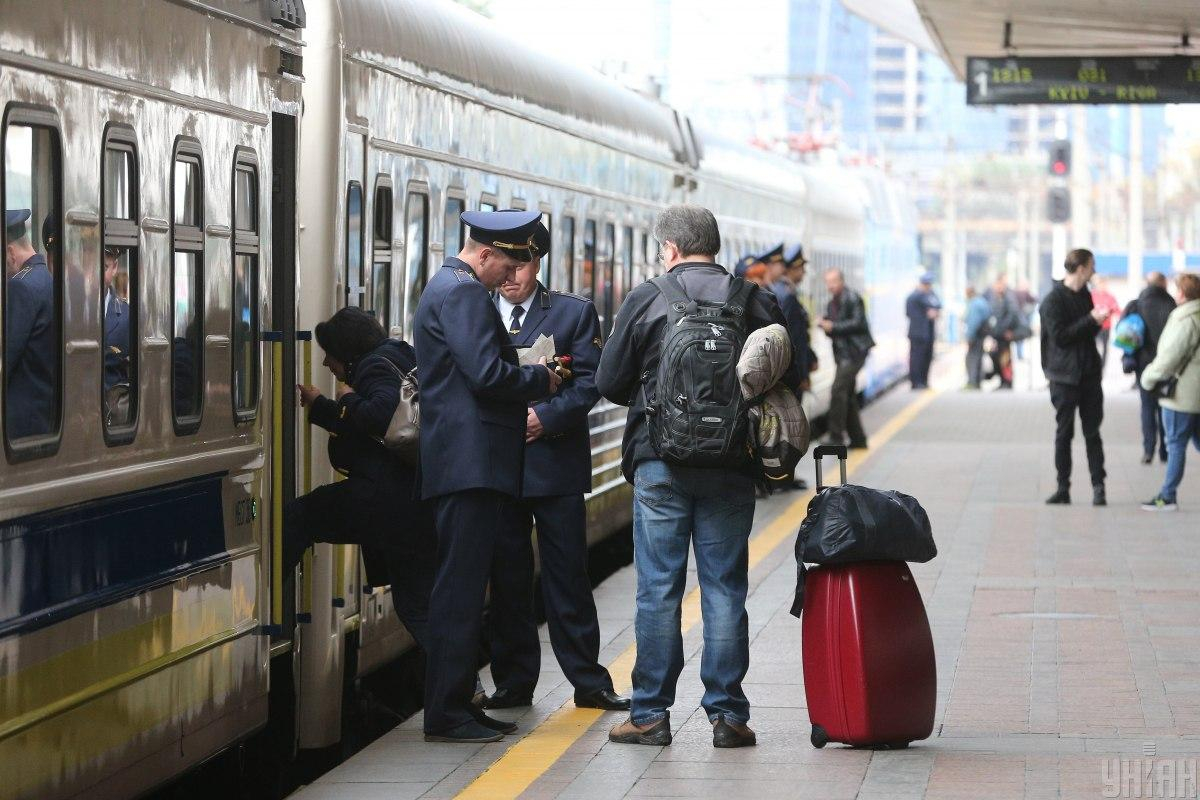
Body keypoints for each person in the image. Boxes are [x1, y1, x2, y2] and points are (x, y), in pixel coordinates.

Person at [597, 205, 801, 749]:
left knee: (659, 591)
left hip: (660, 464)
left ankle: (650, 715)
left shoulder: (648, 297)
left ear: (668, 248)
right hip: (732, 466)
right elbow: (789, 376)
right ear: (716, 245)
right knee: (724, 589)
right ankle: (728, 716)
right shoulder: (754, 298)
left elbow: (611, 382)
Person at [414, 209, 562, 744]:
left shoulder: (449, 287)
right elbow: (486, 374)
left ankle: (458, 702)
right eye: (508, 264)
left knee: (464, 587)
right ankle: (448, 711)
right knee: (460, 591)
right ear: (484, 253)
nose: (511, 277)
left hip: (465, 463)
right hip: (470, 464)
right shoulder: (464, 293)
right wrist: (540, 380)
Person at [480, 219, 629, 712]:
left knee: (567, 575)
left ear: (538, 262)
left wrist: (545, 417)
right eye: (506, 265)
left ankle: (588, 680)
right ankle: (514, 681)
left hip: (554, 465)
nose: (510, 276)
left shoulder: (572, 312)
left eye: (520, 265)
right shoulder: (474, 308)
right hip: (497, 466)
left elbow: (590, 382)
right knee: (507, 578)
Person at [287, 306, 436, 647]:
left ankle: (265, 606)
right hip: (414, 498)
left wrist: (341, 399)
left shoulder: (371, 368)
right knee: (418, 602)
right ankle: (461, 682)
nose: (327, 364)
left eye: (331, 356)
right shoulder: (400, 354)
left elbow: (380, 416)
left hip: (388, 499)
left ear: (348, 352)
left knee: (297, 517)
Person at [1039, 249, 1110, 506]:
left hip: (1089, 374)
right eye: (1092, 265)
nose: (1094, 270)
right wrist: (1090, 319)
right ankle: (1063, 487)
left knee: (1093, 432)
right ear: (1080, 268)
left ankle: (1099, 487)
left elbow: (1084, 333)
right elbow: (1061, 337)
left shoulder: (1085, 295)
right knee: (1064, 433)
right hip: (1063, 377)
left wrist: (1095, 321)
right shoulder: (1052, 301)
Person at [1139, 273, 1200, 511]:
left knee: (1175, 444)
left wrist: (1148, 377)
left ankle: (1167, 496)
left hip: (1181, 395)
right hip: (1196, 393)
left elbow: (1169, 357)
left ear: (1183, 294)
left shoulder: (1185, 319)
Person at [4, 208, 55, 440]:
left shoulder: (19, 287)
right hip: (42, 420)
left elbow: (5, 360)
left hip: (18, 430)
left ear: (10, 253)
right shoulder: (46, 280)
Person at [817, 268, 875, 448]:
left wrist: (832, 326)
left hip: (855, 352)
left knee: (838, 390)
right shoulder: (831, 303)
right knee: (848, 395)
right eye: (828, 282)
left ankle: (836, 436)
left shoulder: (852, 298)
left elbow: (858, 323)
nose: (831, 286)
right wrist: (825, 325)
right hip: (843, 354)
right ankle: (858, 438)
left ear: (842, 281)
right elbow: (835, 330)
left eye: (834, 282)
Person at [1122, 272, 1176, 464]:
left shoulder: (1135, 305)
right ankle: (1165, 451)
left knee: (1147, 406)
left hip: (1142, 364)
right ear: (1163, 284)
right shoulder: (1172, 306)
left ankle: (1148, 450)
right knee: (1164, 405)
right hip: (1166, 364)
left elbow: (1124, 335)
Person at [782, 244, 818, 391]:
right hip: (794, 372)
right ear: (793, 269)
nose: (804, 273)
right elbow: (794, 337)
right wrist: (802, 375)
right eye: (802, 268)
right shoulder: (788, 296)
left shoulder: (786, 292)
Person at [985, 274, 1024, 390]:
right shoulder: (996, 297)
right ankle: (1002, 380)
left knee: (1005, 358)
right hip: (998, 334)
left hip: (1004, 333)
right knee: (996, 355)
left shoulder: (1009, 297)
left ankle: (1007, 381)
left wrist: (1004, 328)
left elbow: (1012, 315)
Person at [905, 272, 941, 389]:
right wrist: (928, 313)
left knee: (927, 357)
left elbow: (938, 304)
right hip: (917, 334)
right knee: (917, 358)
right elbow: (910, 313)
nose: (928, 287)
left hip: (928, 333)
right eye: (926, 284)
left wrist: (932, 312)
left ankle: (924, 381)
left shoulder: (930, 295)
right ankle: (916, 382)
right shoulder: (914, 296)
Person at [1091, 276, 1120, 371]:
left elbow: (1117, 310)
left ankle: (1101, 367)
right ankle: (1094, 364)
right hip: (1094, 326)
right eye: (1100, 284)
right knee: (1093, 346)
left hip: (1106, 327)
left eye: (1103, 284)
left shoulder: (1110, 297)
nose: (1102, 286)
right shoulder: (1092, 296)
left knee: (1104, 347)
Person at [964, 286, 990, 389]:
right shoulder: (982, 301)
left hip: (976, 335)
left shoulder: (974, 304)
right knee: (978, 358)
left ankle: (972, 382)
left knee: (971, 358)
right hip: (982, 334)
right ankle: (978, 382)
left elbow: (973, 322)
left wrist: (970, 337)